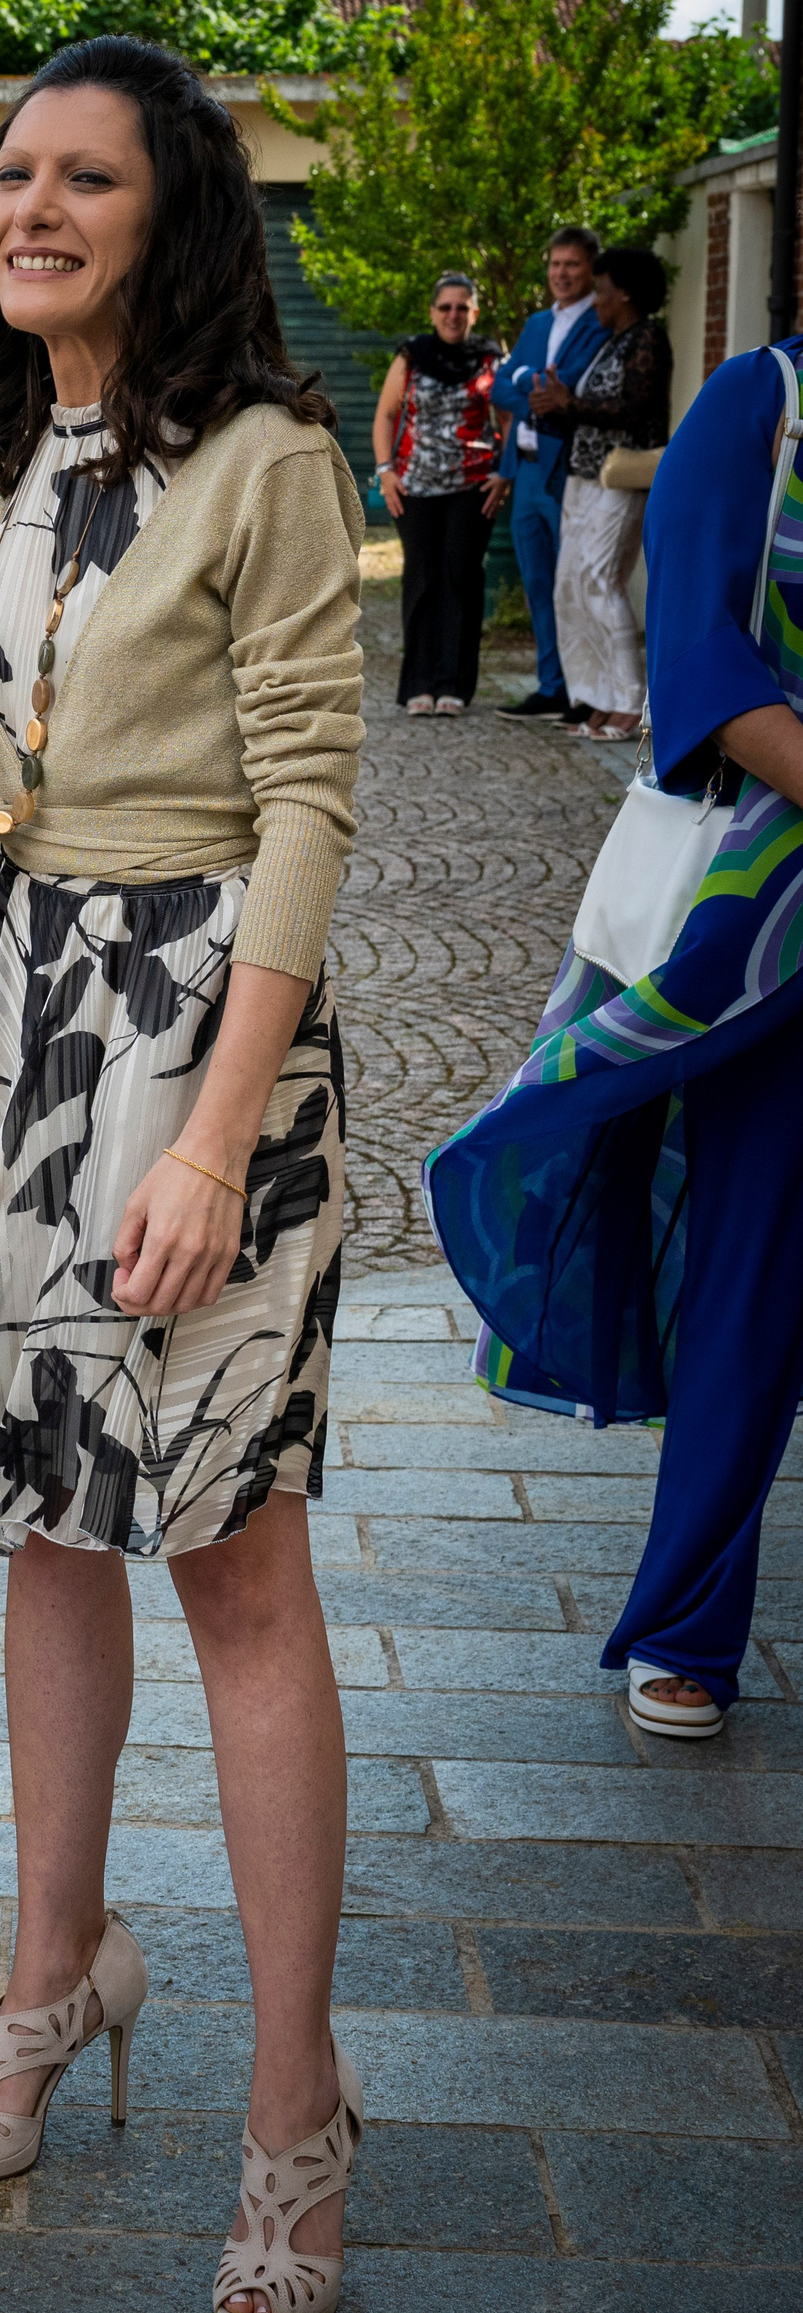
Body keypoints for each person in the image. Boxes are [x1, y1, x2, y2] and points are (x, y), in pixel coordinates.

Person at [0, 38, 366, 2313]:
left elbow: (310, 811)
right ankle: (51, 1979)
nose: (26, 204)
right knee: (49, 1523)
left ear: (171, 217)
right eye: (7, 174)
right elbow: (6, 799)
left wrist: (219, 1134)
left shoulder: (261, 460)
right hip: (38, 1029)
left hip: (202, 1028)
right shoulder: (20, 457)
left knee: (228, 1558)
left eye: (80, 177)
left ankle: (289, 2102)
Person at [429, 335, 803, 1744]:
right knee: (751, 1282)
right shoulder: (758, 403)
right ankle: (693, 1625)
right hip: (767, 945)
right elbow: (704, 667)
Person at [534, 245, 671, 743]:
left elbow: (636, 409)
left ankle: (630, 703)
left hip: (620, 477)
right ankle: (593, 695)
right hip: (582, 476)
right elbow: (591, 406)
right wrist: (555, 406)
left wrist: (573, 402)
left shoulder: (648, 338)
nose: (595, 300)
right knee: (569, 586)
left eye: (603, 289)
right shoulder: (611, 340)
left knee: (600, 580)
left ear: (626, 293)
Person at [490, 226, 608, 721]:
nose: (561, 273)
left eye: (572, 264)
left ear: (591, 269)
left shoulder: (601, 322)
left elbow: (574, 386)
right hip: (528, 472)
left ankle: (588, 692)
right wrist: (533, 391)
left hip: (568, 470)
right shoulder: (538, 323)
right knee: (539, 582)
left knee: (574, 584)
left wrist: (530, 384)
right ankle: (552, 686)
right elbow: (501, 385)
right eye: (555, 264)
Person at [372, 272, 503, 715]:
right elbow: (386, 414)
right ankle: (419, 686)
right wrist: (385, 471)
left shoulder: (489, 359)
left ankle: (454, 686)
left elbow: (509, 421)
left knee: (461, 580)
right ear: (432, 312)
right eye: (445, 307)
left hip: (473, 487)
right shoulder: (412, 356)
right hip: (416, 488)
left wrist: (505, 475)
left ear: (474, 313)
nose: (452, 315)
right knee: (423, 579)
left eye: (461, 307)